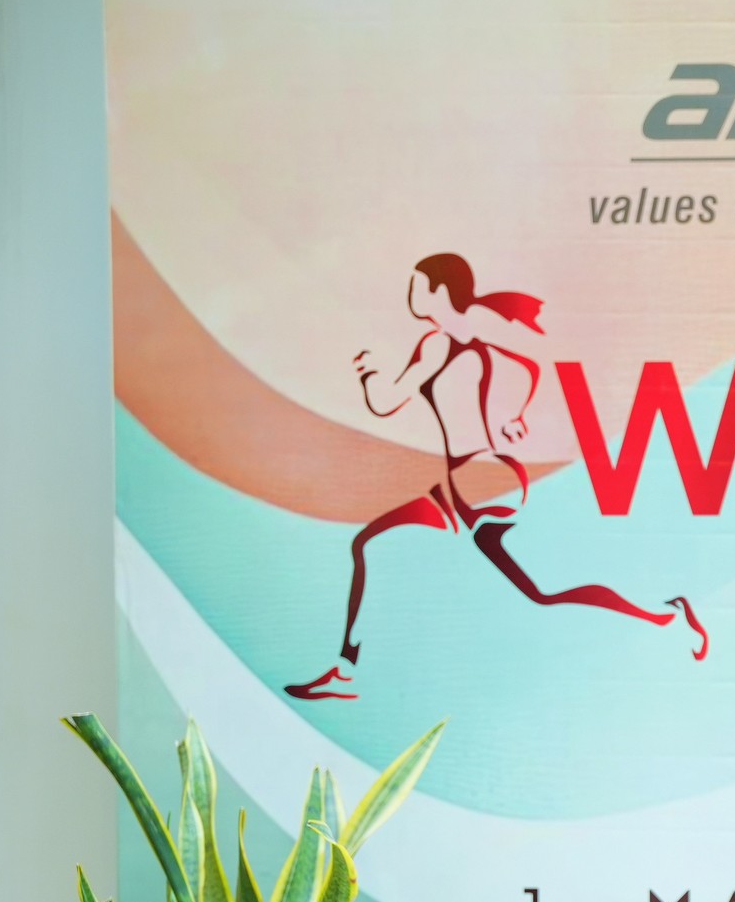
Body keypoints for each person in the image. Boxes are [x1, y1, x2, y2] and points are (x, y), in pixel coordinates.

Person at [286, 253, 706, 701]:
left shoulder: (437, 344)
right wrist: (514, 417)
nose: (411, 294)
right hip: (472, 482)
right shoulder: (471, 343)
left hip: (475, 485)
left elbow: (386, 401)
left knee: (538, 590)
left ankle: (667, 617)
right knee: (376, 546)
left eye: (417, 286)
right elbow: (528, 368)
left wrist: (369, 374)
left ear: (439, 291)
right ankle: (347, 671)